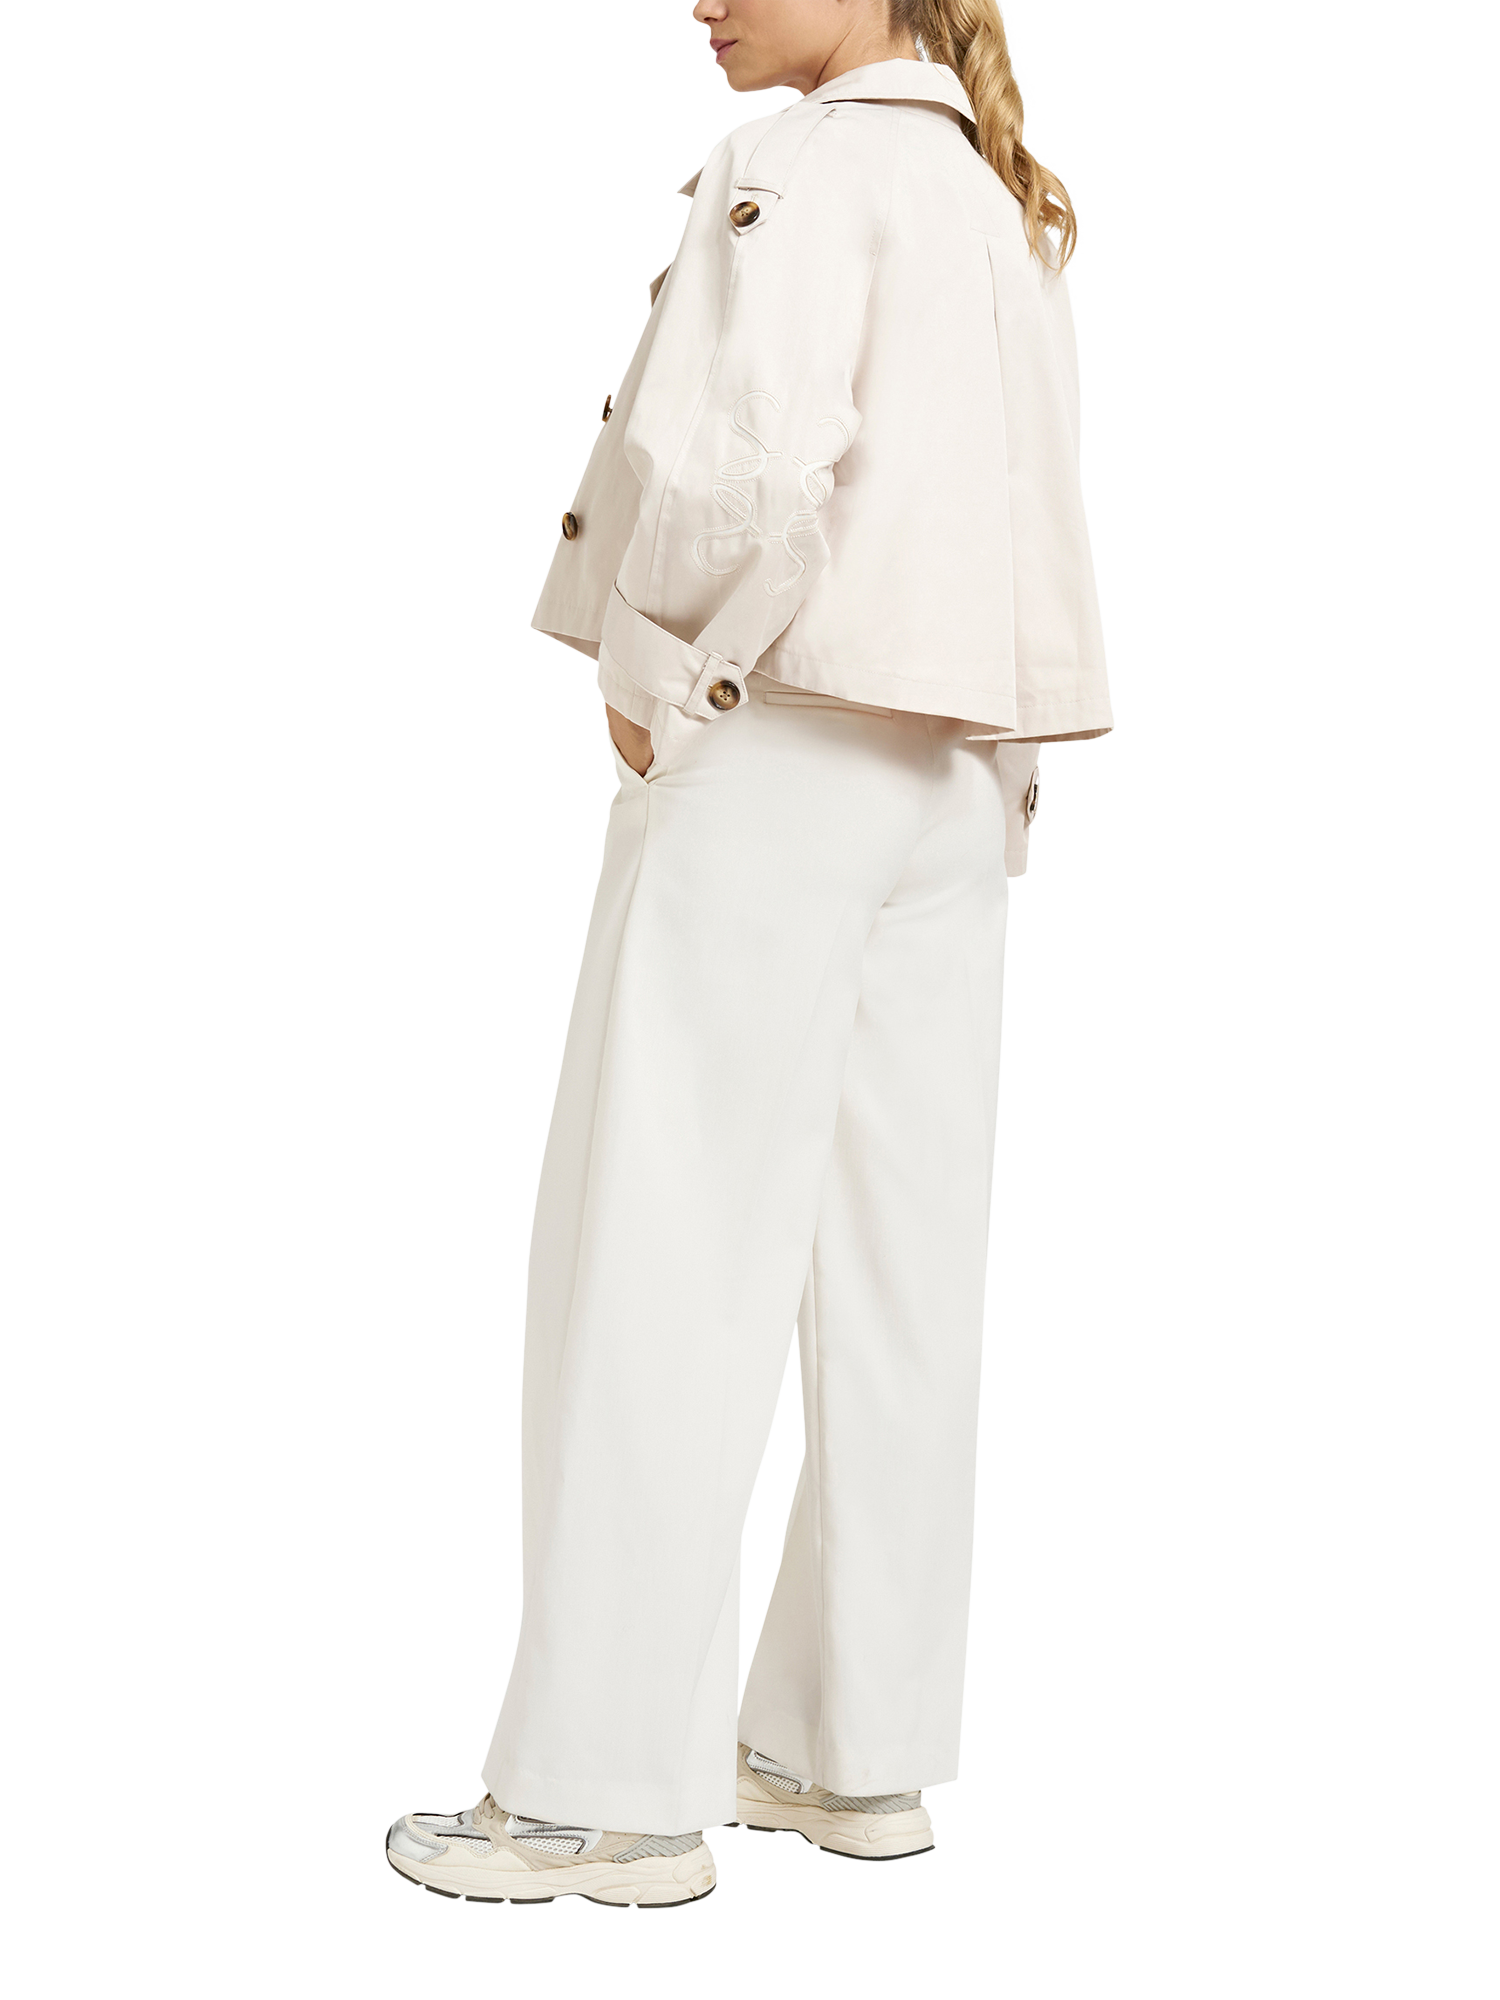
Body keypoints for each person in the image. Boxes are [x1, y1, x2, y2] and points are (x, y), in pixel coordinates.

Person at [386, 0, 1110, 1907]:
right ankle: (844, 1750)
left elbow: (745, 459)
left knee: (661, 1246)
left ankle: (596, 1797)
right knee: (898, 1276)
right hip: (958, 775)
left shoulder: (795, 164)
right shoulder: (991, 189)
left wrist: (657, 662)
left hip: (783, 740)